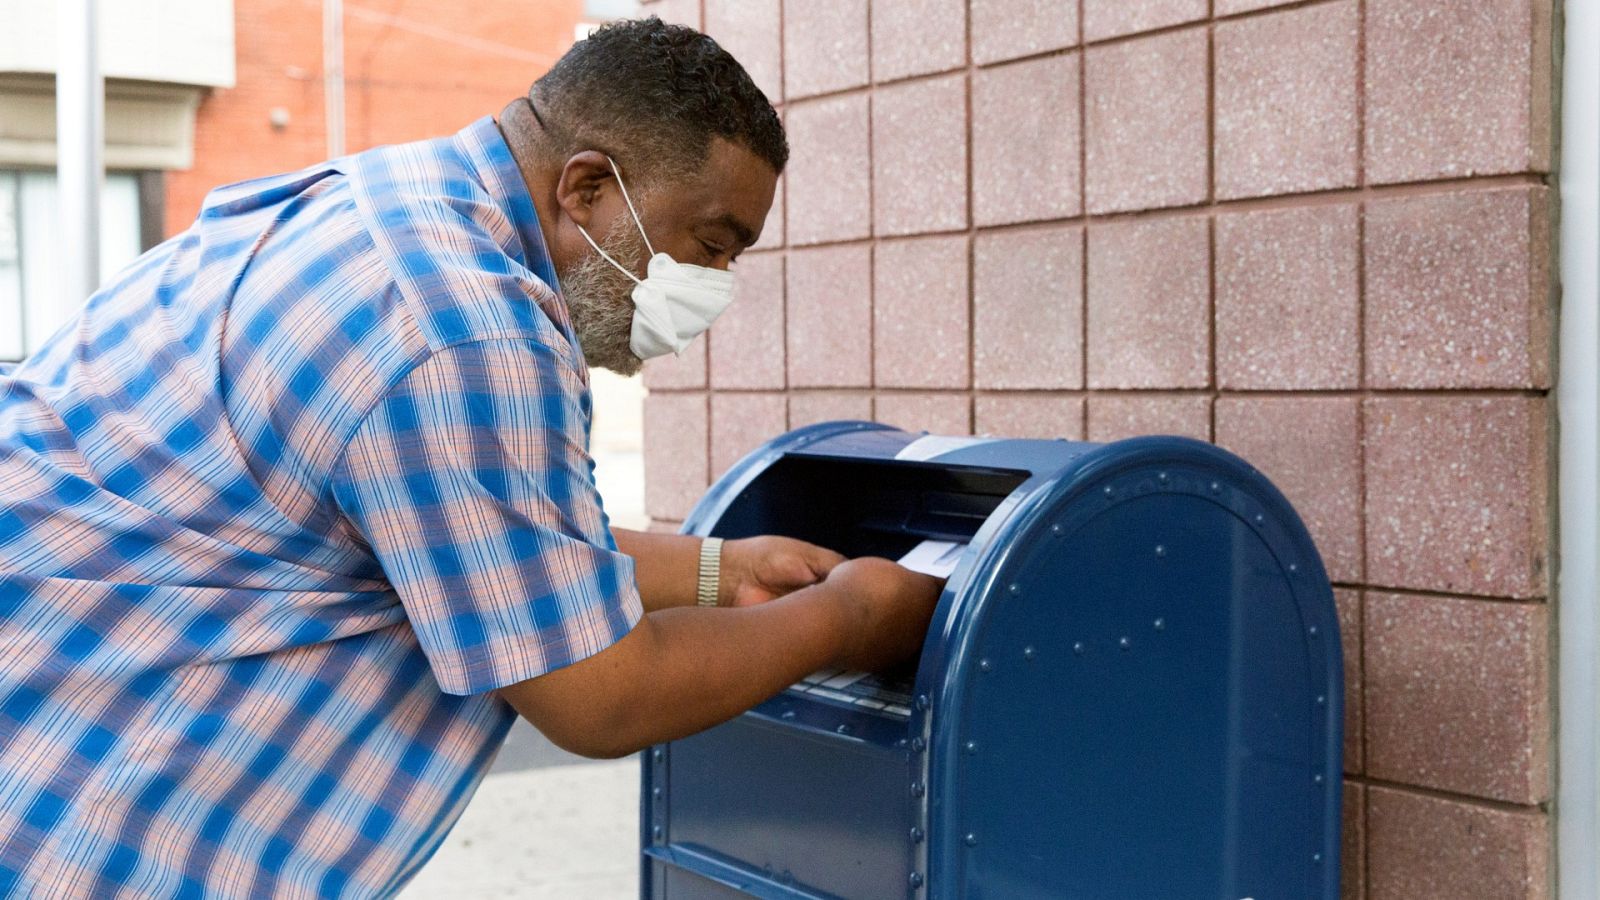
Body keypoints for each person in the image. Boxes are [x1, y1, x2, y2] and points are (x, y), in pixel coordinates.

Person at [0, 17, 942, 897]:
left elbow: (459, 534)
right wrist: (852, 619)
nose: (715, 286)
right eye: (709, 245)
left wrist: (720, 571)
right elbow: (602, 695)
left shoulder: (377, 207)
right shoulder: (464, 329)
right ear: (586, 187)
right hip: (80, 829)